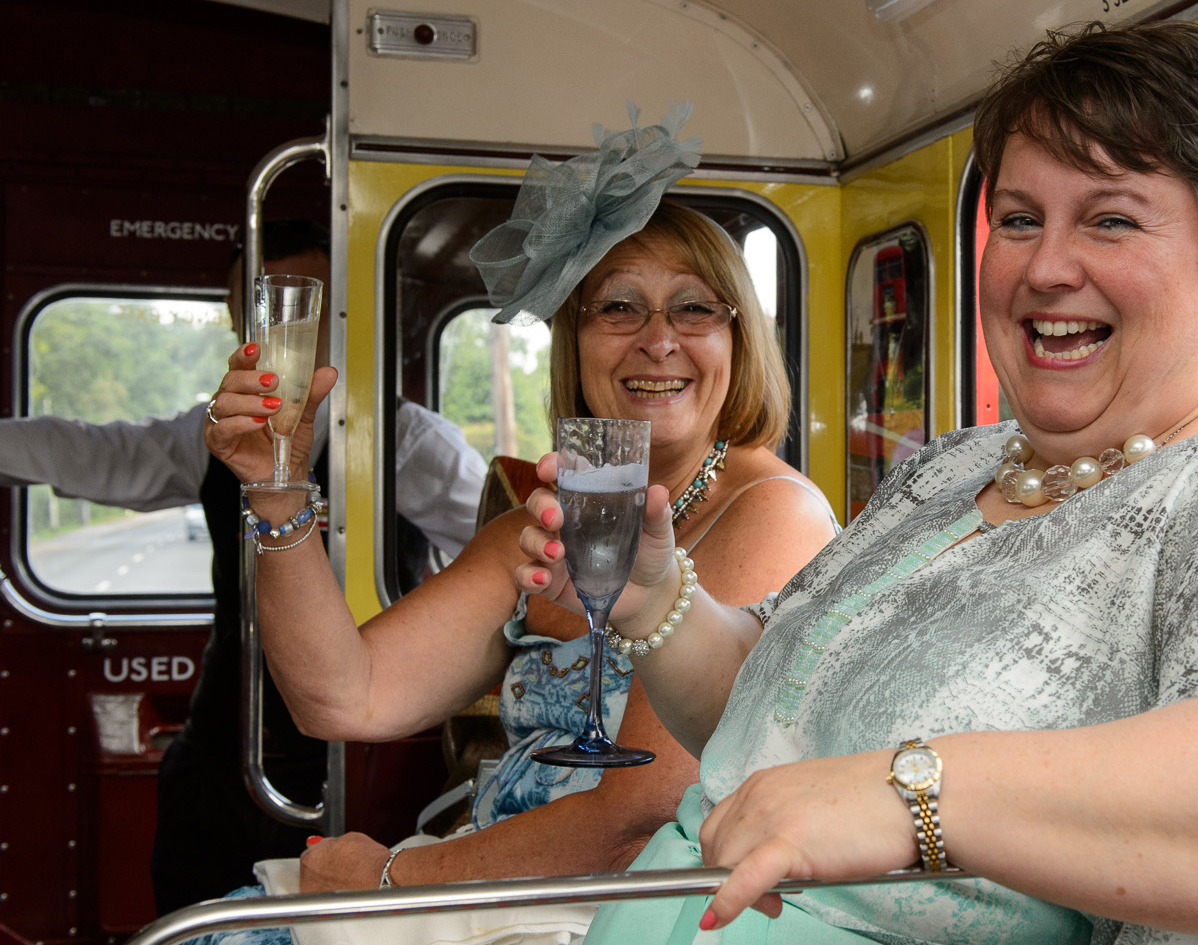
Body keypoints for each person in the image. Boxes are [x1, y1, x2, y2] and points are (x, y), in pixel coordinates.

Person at [516, 23, 1198, 945]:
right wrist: (653, 598)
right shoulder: (958, 468)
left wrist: (916, 797)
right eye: (1020, 219)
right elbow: (775, 711)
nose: (1046, 267)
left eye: (1111, 221)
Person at [195, 106, 839, 943]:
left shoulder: (773, 512)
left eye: (693, 310)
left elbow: (636, 817)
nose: (657, 341)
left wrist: (392, 878)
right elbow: (338, 692)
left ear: (739, 342)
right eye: (618, 308)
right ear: (575, 343)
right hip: (490, 884)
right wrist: (277, 485)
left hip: (620, 911)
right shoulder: (543, 521)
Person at [0, 220, 489, 913]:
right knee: (193, 909)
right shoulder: (212, 434)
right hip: (225, 750)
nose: (280, 335)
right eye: (257, 314)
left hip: (364, 754)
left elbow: (499, 538)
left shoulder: (405, 440)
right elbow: (98, 453)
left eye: (302, 315)